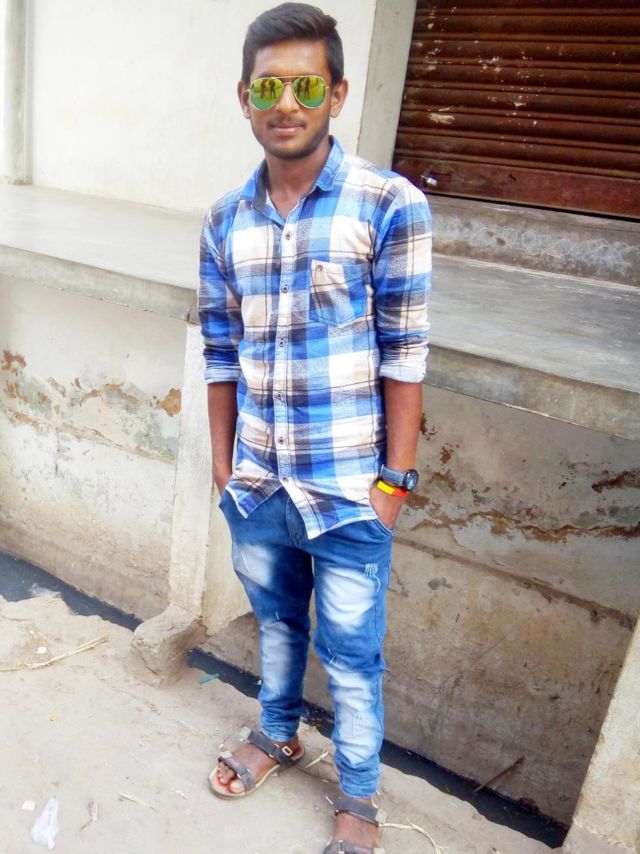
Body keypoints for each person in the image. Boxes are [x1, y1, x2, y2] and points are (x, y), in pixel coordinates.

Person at [198, 4, 431, 852]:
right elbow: (219, 353)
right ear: (245, 98)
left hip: (348, 493)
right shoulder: (225, 221)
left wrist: (392, 484)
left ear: (336, 93)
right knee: (276, 625)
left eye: (305, 86)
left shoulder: (389, 205)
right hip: (258, 485)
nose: (286, 104)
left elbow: (406, 355)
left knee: (353, 656)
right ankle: (276, 734)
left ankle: (359, 800)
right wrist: (223, 466)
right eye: (268, 88)